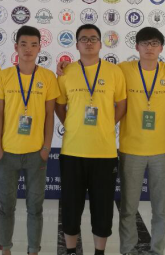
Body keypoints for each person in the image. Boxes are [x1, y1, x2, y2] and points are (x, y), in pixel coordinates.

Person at [55, 24, 127, 255]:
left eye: (93, 38)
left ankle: (99, 252)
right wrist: (71, 124)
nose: (89, 42)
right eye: (84, 39)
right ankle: (70, 251)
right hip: (72, 151)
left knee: (103, 207)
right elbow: (59, 105)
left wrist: (106, 124)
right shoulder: (66, 72)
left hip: (104, 152)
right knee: (71, 206)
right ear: (76, 44)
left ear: (100, 44)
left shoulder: (114, 72)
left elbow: (122, 105)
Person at [0, 25, 60, 255]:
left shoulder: (48, 77)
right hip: (7, 153)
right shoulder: (4, 76)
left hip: (36, 153)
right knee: (6, 206)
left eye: (33, 45)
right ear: (16, 47)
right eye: (23, 44)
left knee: (35, 207)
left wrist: (46, 147)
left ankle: (33, 250)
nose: (28, 49)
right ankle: (6, 248)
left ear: (40, 48)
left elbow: (50, 116)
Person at [116, 27, 165, 255]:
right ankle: (128, 249)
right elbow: (94, 69)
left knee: (160, 208)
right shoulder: (123, 69)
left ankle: (157, 250)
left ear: (161, 47)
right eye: (144, 43)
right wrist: (66, 67)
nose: (149, 47)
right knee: (128, 207)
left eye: (154, 43)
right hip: (131, 148)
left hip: (162, 149)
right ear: (137, 47)